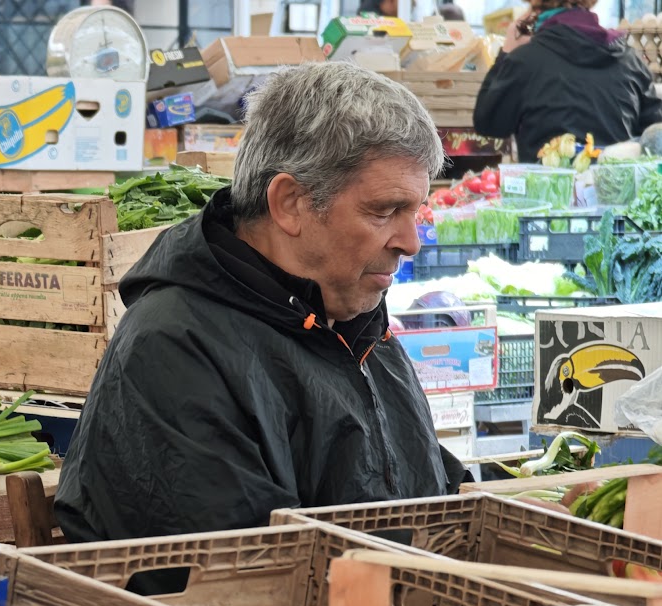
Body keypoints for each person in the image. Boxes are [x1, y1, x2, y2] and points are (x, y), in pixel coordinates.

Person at [53, 63, 466, 557]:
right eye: (383, 212)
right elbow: (244, 576)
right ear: (290, 202)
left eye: (415, 212)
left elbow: (423, 483)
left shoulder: (353, 321)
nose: (410, 243)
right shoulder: (174, 347)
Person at [473, 0, 660, 158]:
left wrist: (506, 52)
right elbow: (654, 135)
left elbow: (488, 124)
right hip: (614, 193)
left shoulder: (524, 61)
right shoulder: (629, 61)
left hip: (546, 195)